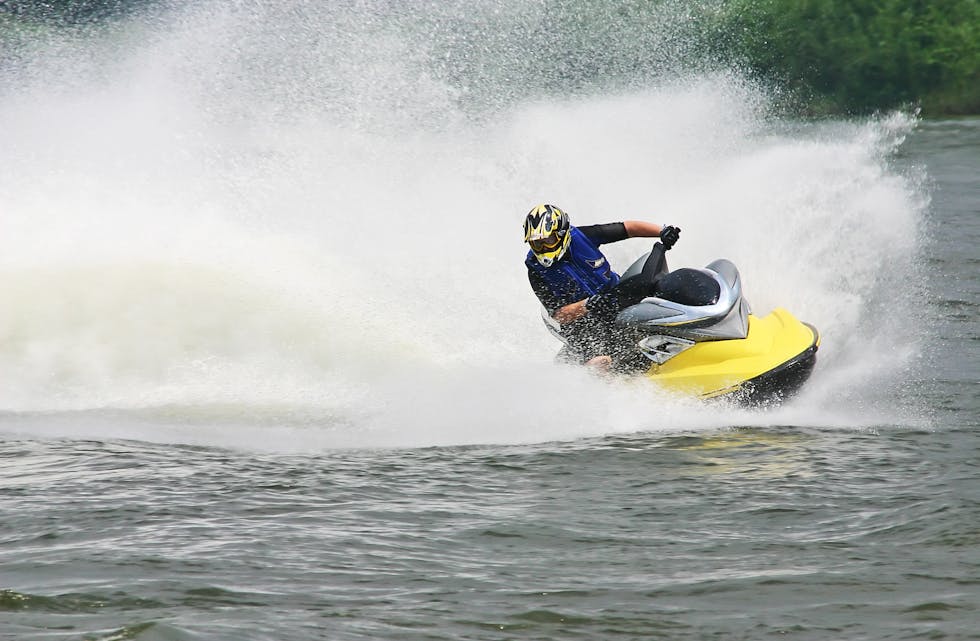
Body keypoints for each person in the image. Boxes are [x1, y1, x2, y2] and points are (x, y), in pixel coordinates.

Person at [523, 203, 681, 372]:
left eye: (548, 241)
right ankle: (611, 382)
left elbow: (629, 228)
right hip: (582, 320)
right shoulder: (536, 272)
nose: (543, 248)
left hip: (614, 296)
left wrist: (662, 231)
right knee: (599, 360)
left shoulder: (583, 236)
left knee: (658, 293)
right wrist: (588, 304)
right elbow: (559, 315)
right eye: (537, 244)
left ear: (562, 234)